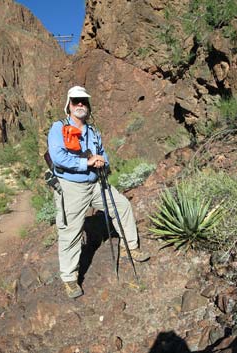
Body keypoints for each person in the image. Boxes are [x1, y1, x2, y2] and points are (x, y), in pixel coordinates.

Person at [47, 85, 150, 298]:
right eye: (76, 101)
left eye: (84, 101)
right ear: (69, 104)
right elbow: (58, 157)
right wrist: (87, 162)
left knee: (122, 206)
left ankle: (131, 247)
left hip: (95, 183)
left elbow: (102, 153)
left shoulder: (93, 131)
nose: (80, 105)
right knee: (71, 231)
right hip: (71, 186)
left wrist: (103, 161)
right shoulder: (58, 127)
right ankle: (69, 278)